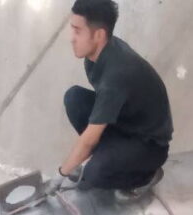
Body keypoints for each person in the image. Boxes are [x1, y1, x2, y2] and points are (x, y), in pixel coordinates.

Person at [49, 0, 173, 202]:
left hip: (149, 144)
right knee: (74, 98)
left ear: (98, 35)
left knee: (93, 176)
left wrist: (61, 174)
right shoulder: (95, 55)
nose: (71, 38)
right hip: (127, 122)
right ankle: (110, 156)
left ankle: (146, 175)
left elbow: (89, 138)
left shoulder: (117, 75)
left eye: (77, 31)